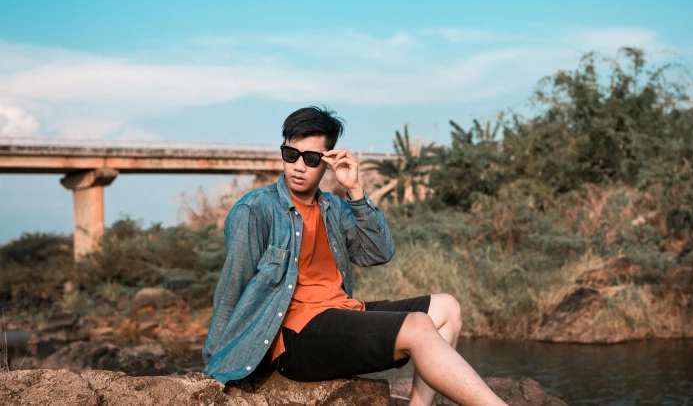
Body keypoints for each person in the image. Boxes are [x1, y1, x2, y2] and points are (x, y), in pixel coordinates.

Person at [203, 106, 507, 406]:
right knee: (417, 326)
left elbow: (379, 253)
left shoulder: (335, 208)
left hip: (340, 313)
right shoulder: (254, 210)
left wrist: (356, 191)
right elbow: (232, 287)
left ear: (327, 162)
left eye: (310, 159)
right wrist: (216, 364)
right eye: (290, 154)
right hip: (292, 338)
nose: (298, 166)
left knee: (447, 308)